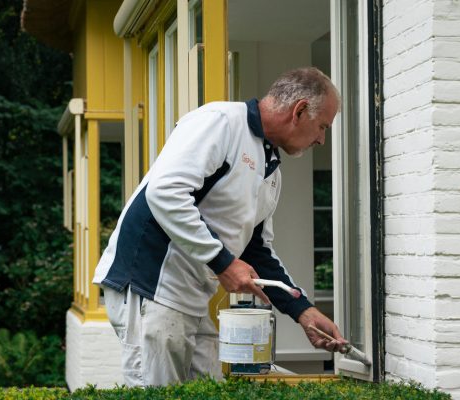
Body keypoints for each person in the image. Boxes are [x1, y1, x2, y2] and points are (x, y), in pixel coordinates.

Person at [92, 67, 348, 386]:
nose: (322, 139)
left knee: (207, 388)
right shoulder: (221, 122)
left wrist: (303, 311)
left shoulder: (271, 173)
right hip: (150, 284)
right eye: (322, 126)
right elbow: (165, 192)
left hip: (192, 297)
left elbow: (258, 252)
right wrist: (224, 262)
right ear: (299, 111)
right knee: (155, 391)